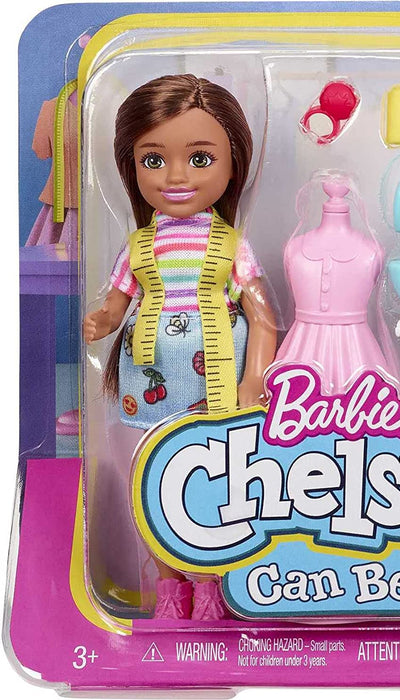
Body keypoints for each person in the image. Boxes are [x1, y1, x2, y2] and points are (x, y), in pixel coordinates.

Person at [83, 74, 277, 618]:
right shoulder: (138, 246)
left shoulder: (232, 246)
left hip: (217, 389)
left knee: (214, 483)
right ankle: (169, 587)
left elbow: (262, 317)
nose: (174, 176)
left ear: (233, 165)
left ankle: (211, 583)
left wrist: (254, 378)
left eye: (199, 159)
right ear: (132, 167)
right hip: (146, 386)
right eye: (153, 160)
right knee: (149, 484)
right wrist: (102, 320)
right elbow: (117, 303)